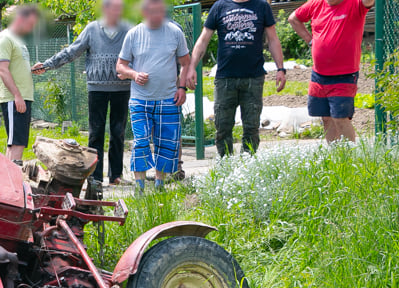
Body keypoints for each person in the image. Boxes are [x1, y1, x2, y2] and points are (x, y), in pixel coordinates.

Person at [32, 0, 131, 184]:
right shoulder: (92, 29)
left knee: (118, 132)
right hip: (96, 88)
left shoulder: (129, 29)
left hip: (122, 88)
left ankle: (116, 176)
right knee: (96, 133)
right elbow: (72, 51)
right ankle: (94, 177)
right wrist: (47, 65)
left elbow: (139, 53)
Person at [187, 0, 285, 156]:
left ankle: (247, 166)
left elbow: (272, 39)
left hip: (253, 77)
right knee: (222, 126)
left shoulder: (261, 6)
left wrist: (280, 68)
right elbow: (203, 39)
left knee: (251, 126)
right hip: (225, 78)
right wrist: (192, 67)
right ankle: (226, 164)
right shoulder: (220, 6)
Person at [116, 0, 190, 192]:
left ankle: (159, 185)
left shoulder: (175, 32)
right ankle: (139, 188)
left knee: (165, 143)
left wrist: (182, 88)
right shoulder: (134, 34)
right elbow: (120, 66)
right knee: (141, 141)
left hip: (168, 98)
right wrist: (134, 74)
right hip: (140, 99)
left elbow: (186, 62)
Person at [289, 0, 374, 142]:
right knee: (326, 118)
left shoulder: (354, 4)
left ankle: (350, 156)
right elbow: (293, 18)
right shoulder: (316, 3)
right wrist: (309, 40)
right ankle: (335, 157)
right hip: (319, 74)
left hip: (344, 75)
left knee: (341, 118)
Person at [0, 5, 40, 164]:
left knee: (15, 142)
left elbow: (14, 67)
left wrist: (31, 69)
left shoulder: (18, 40)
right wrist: (17, 95)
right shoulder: (5, 38)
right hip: (13, 98)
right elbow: (2, 69)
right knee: (17, 144)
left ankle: (7, 182)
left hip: (22, 97)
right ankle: (14, 184)